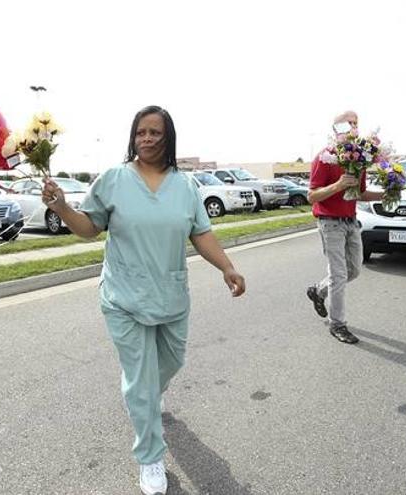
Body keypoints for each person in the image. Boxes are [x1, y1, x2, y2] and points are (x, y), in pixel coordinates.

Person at [42, 105, 246, 495]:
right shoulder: (114, 180)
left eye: (155, 132)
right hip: (123, 296)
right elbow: (89, 228)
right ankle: (150, 458)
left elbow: (200, 233)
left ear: (168, 137)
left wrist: (227, 267)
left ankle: (149, 396)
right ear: (132, 137)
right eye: (141, 132)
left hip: (170, 294)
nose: (147, 138)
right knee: (140, 381)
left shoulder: (185, 186)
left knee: (170, 362)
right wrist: (62, 207)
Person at [306, 110, 383, 344]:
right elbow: (312, 196)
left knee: (354, 270)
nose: (353, 127)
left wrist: (386, 194)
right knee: (339, 275)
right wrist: (338, 185)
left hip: (351, 222)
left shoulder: (358, 160)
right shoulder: (324, 157)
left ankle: (318, 291)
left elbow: (359, 193)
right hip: (330, 223)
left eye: (356, 123)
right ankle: (337, 324)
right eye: (348, 123)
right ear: (336, 128)